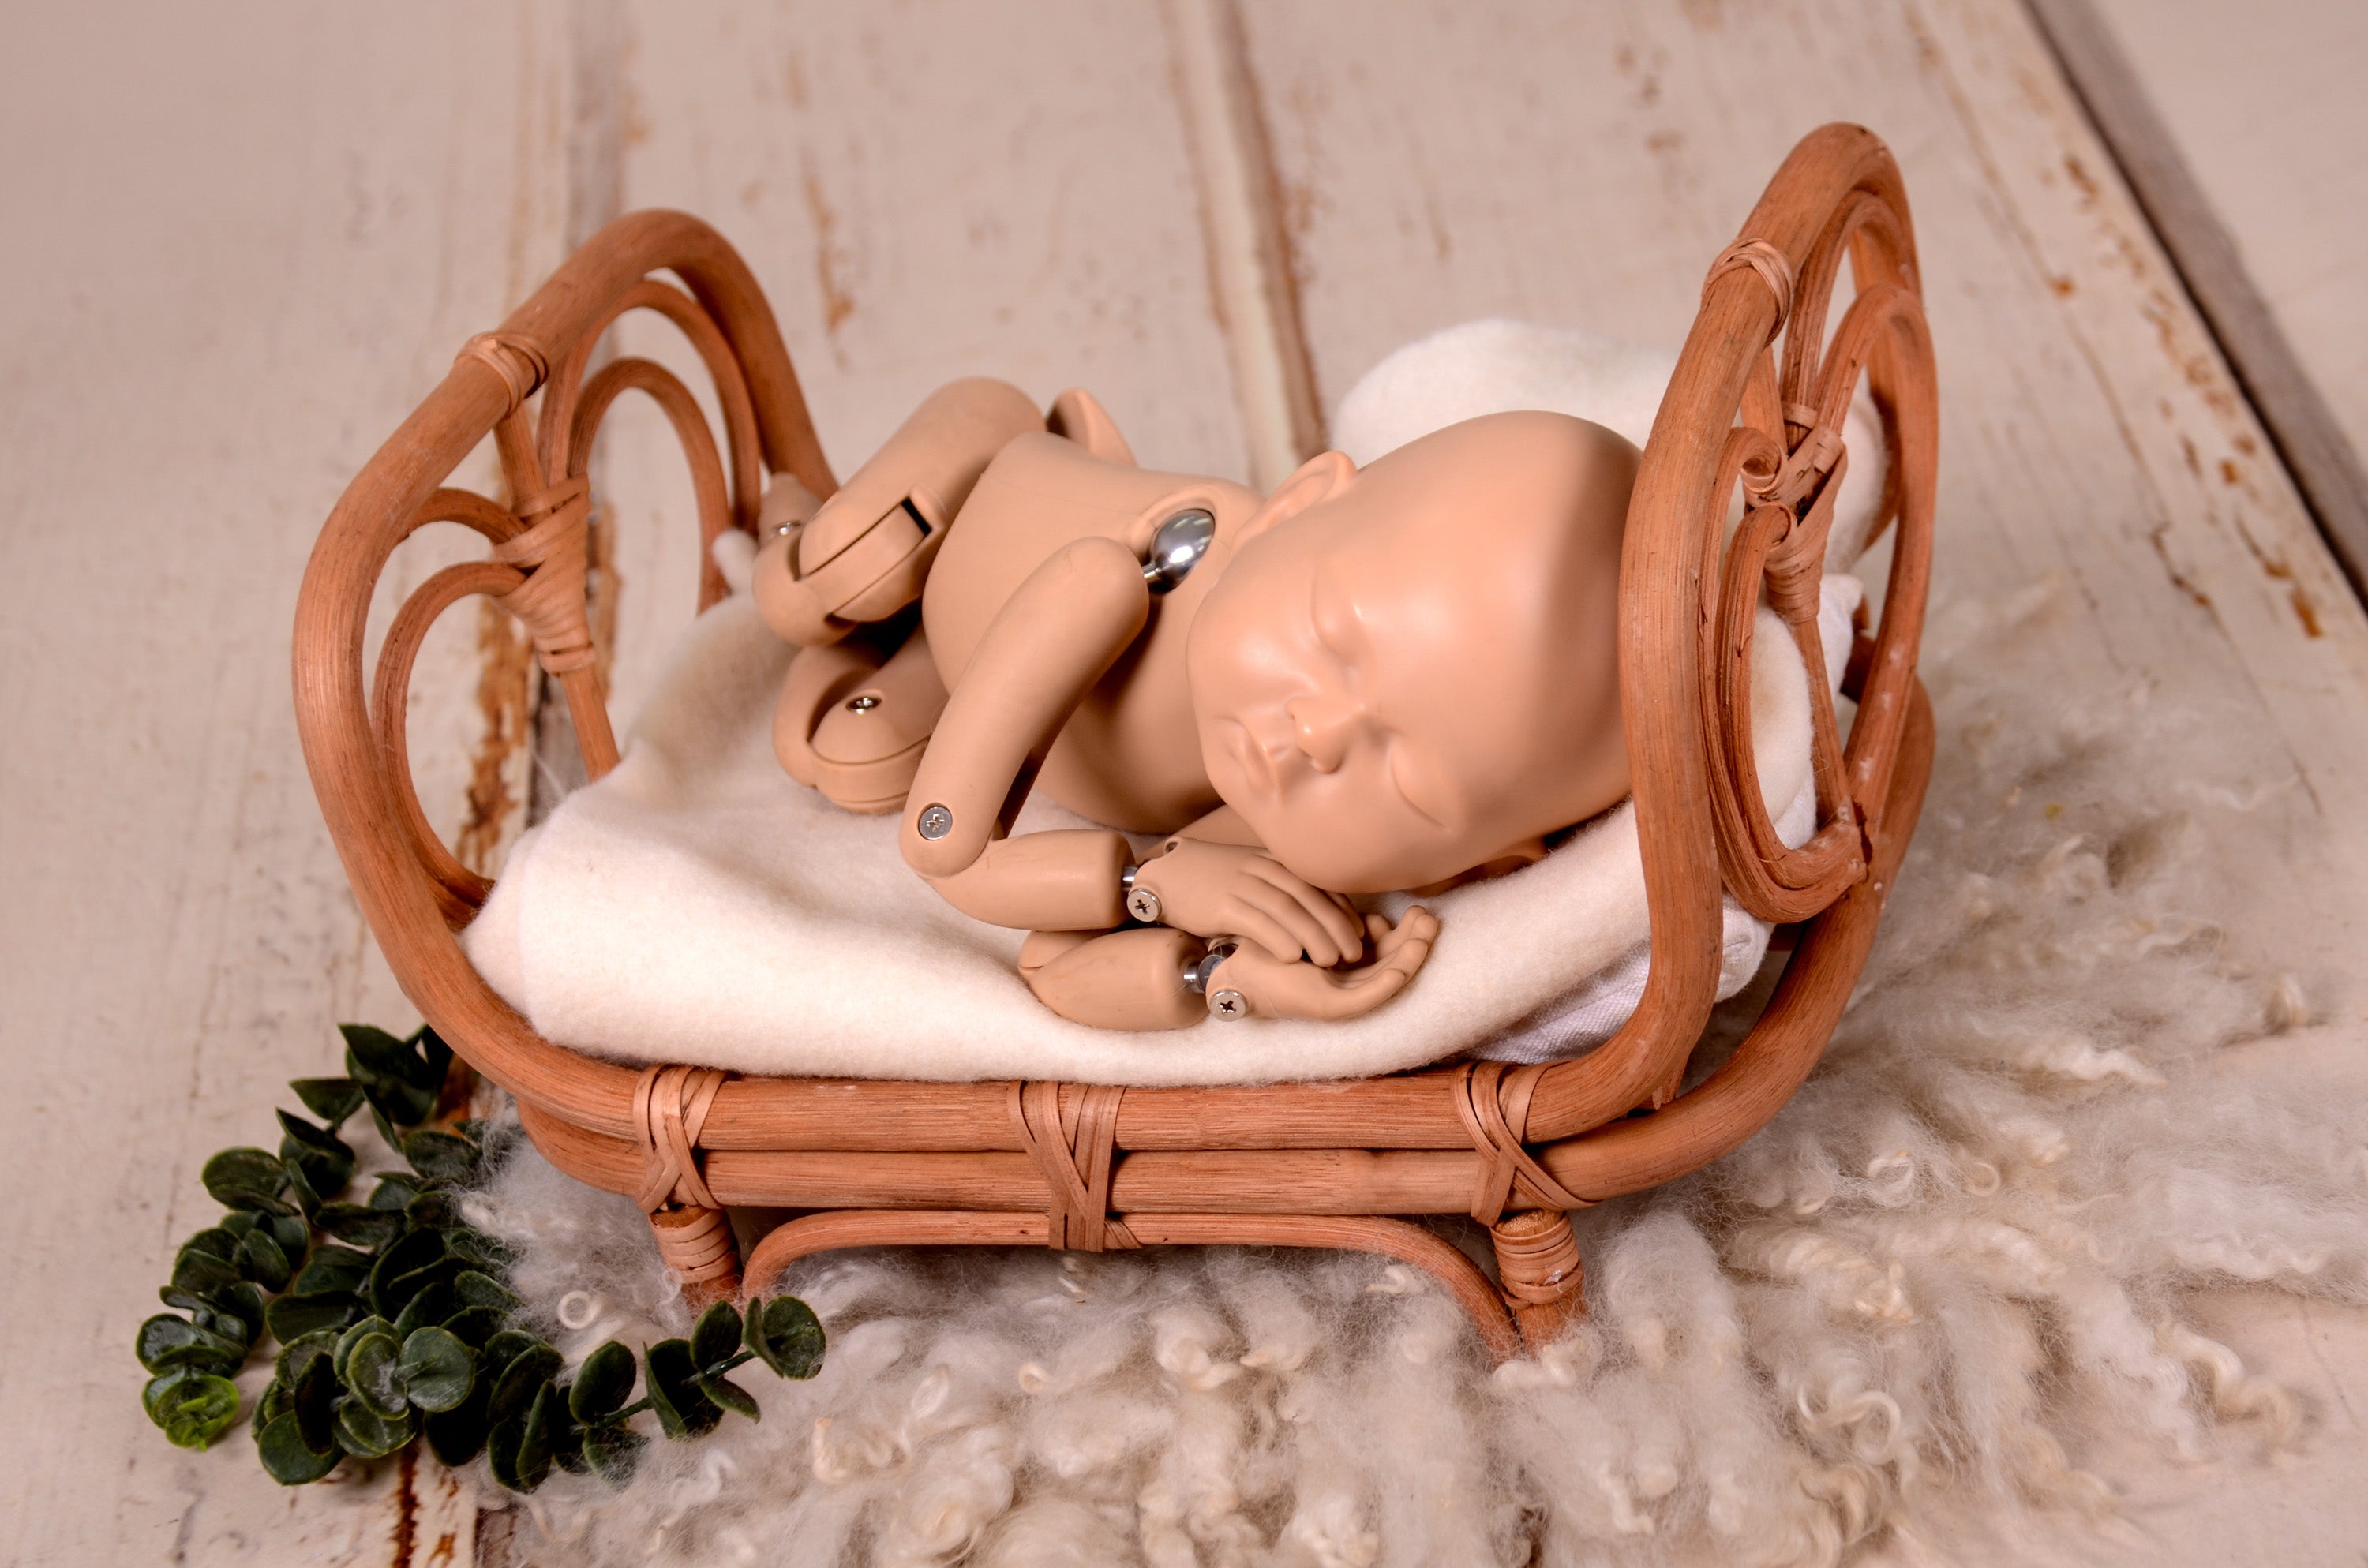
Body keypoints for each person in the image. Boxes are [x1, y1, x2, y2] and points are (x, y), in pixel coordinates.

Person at [751, 380, 1636, 1030]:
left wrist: (1229, 977)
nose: (1312, 737)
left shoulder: (1263, 835)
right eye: (1330, 634)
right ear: (1293, 505)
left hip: (969, 677)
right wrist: (1143, 879)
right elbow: (945, 847)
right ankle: (785, 522)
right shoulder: (1112, 581)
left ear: (1476, 866)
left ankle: (907, 658)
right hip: (972, 477)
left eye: (1410, 783)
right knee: (828, 580)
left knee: (844, 753)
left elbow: (1053, 966)